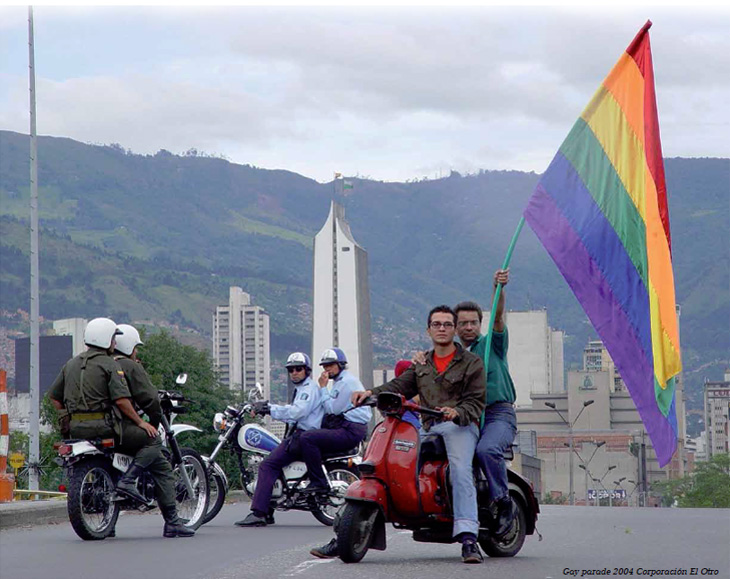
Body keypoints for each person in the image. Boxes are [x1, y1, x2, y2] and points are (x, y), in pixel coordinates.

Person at [312, 306, 486, 564]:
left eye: (447, 324)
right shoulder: (421, 364)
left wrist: (456, 412)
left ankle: (469, 538)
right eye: (436, 324)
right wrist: (368, 393)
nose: (441, 328)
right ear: (428, 330)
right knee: (393, 463)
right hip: (427, 427)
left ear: (455, 329)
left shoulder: (471, 363)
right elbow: (398, 386)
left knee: (460, 470)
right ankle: (344, 534)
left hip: (459, 426)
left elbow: (476, 401)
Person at [48, 318, 193, 538]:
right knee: (153, 441)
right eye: (113, 337)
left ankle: (110, 520)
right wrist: (140, 422)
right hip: (106, 428)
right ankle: (168, 517)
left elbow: (54, 396)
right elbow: (122, 400)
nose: (115, 342)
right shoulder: (109, 364)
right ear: (106, 338)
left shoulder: (71, 363)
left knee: (114, 457)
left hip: (76, 430)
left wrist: (65, 416)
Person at [112, 324, 194, 538]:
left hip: (96, 429)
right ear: (129, 345)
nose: (136, 352)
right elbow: (149, 399)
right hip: (123, 428)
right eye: (135, 347)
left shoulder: (100, 364)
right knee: (160, 462)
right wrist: (154, 421)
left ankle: (108, 524)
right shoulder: (130, 366)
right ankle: (173, 522)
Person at [454, 268, 517, 538]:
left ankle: (504, 502)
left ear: (480, 324)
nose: (469, 327)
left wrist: (498, 288)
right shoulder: (452, 358)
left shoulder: (491, 344)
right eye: (463, 323)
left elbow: (499, 316)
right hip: (467, 417)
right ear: (455, 327)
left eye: (473, 322)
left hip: (498, 414)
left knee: (487, 449)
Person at [235, 352, 325, 527]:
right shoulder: (303, 388)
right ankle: (269, 510)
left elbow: (297, 412)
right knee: (273, 459)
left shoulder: (308, 389)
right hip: (301, 435)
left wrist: (269, 409)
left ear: (306, 370)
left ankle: (260, 513)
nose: (294, 372)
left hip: (303, 436)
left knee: (268, 465)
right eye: (291, 369)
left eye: (298, 369)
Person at [297, 347, 372, 494]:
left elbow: (332, 409)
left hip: (350, 429)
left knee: (307, 438)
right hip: (348, 427)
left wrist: (323, 387)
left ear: (340, 364)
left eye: (330, 365)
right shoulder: (341, 381)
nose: (327, 369)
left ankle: (318, 482)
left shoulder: (345, 383)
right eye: (325, 366)